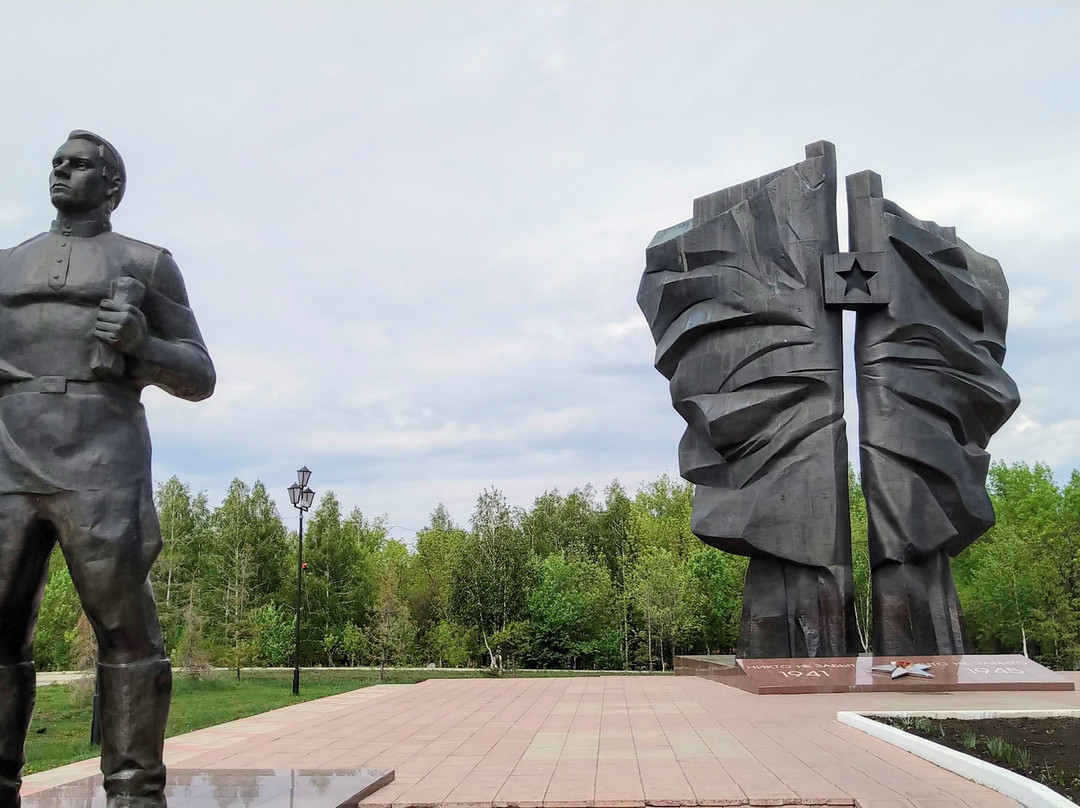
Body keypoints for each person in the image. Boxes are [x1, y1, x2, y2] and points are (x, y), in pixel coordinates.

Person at [0, 131, 215, 808]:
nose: (62, 170)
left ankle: (134, 793)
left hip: (103, 456)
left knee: (124, 628)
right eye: (57, 163)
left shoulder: (146, 264)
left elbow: (199, 374)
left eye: (80, 164)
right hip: (7, 455)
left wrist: (143, 345)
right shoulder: (6, 265)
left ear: (113, 185)